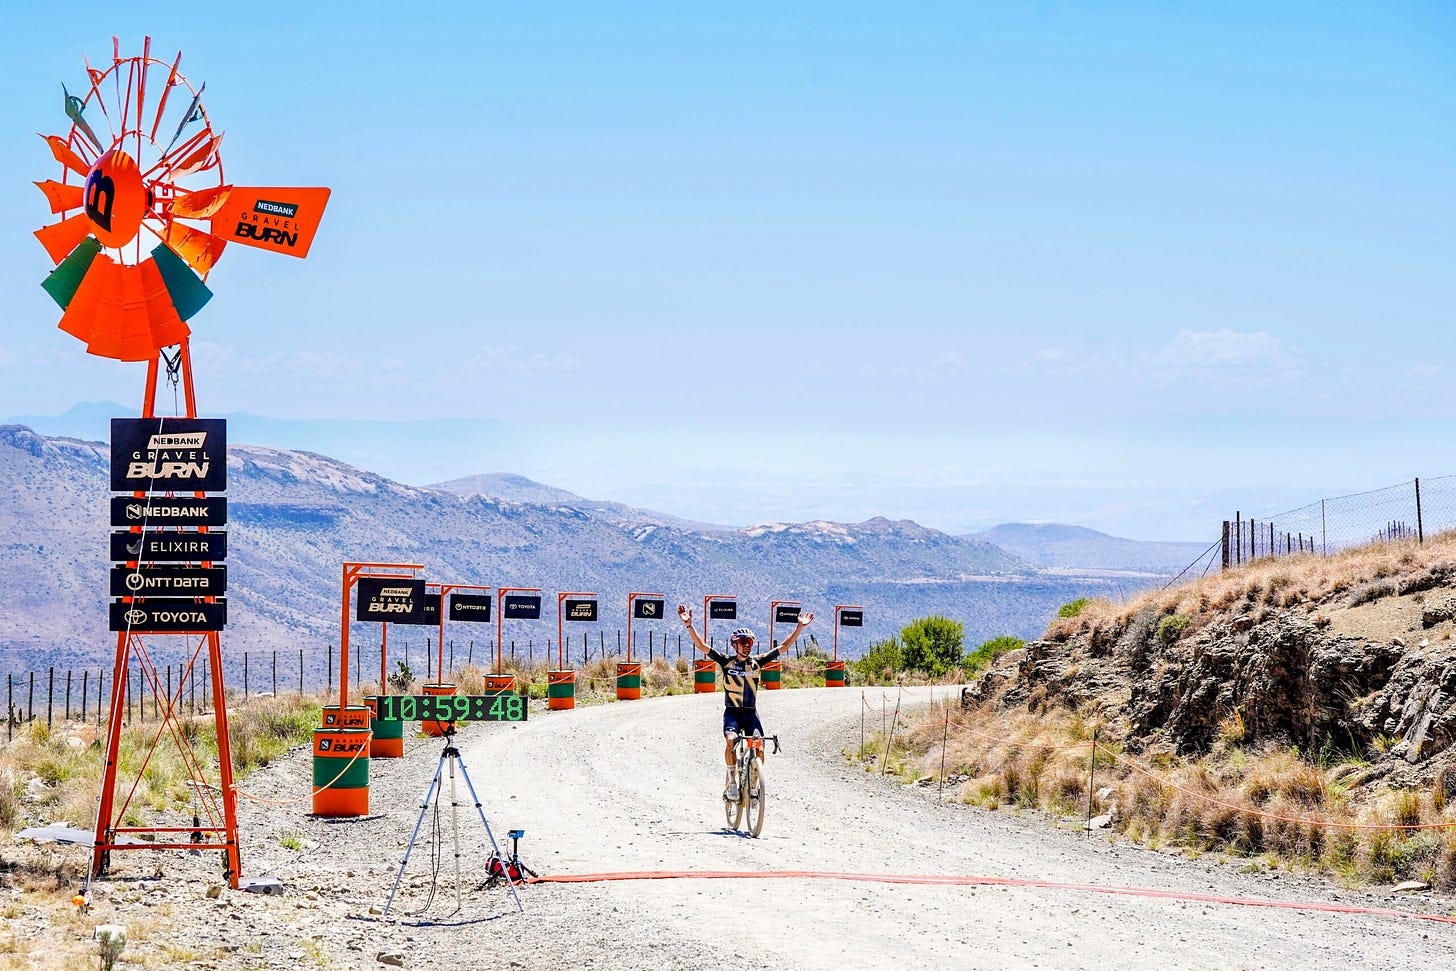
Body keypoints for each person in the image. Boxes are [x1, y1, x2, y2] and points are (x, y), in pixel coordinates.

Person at [677, 604, 814, 801]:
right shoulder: (727, 662)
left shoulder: (757, 662)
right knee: (731, 740)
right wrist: (689, 625)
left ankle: (754, 786)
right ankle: (732, 782)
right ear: (735, 645)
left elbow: (782, 648)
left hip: (751, 714)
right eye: (743, 642)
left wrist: (799, 628)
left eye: (749, 641)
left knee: (759, 748)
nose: (747, 644)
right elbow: (702, 646)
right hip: (732, 712)